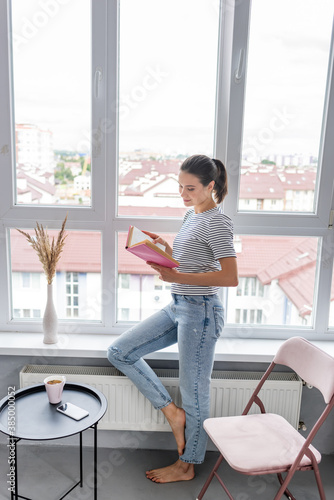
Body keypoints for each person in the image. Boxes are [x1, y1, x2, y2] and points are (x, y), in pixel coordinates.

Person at [107, 154, 238, 483]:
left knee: (194, 391)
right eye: (180, 187)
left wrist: (174, 275)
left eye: (191, 188)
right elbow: (191, 261)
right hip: (178, 305)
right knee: (120, 351)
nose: (184, 193)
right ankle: (171, 412)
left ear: (211, 186)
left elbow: (229, 277)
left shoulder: (218, 222)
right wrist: (164, 249)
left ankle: (187, 465)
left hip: (202, 313)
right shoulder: (190, 215)